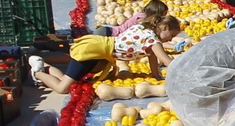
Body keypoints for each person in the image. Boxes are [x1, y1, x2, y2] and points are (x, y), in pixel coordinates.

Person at [29, 13, 181, 95]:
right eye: (171, 35)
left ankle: (45, 67)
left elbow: (153, 57)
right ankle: (37, 73)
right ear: (165, 27)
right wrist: (186, 70)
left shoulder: (146, 28)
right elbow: (167, 62)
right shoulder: (152, 39)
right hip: (92, 50)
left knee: (68, 81)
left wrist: (156, 75)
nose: (171, 39)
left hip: (100, 52)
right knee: (63, 88)